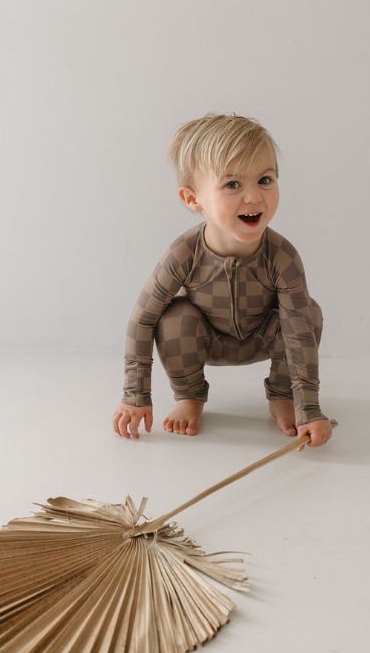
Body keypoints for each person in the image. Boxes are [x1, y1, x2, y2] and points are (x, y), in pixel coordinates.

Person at [111, 112, 334, 451]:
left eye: (265, 180)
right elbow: (142, 320)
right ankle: (189, 396)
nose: (253, 197)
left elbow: (299, 331)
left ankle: (282, 394)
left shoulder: (282, 257)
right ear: (192, 199)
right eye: (232, 184)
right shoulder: (183, 254)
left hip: (262, 337)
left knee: (309, 314)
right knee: (172, 317)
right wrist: (135, 394)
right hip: (204, 340)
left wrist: (310, 407)